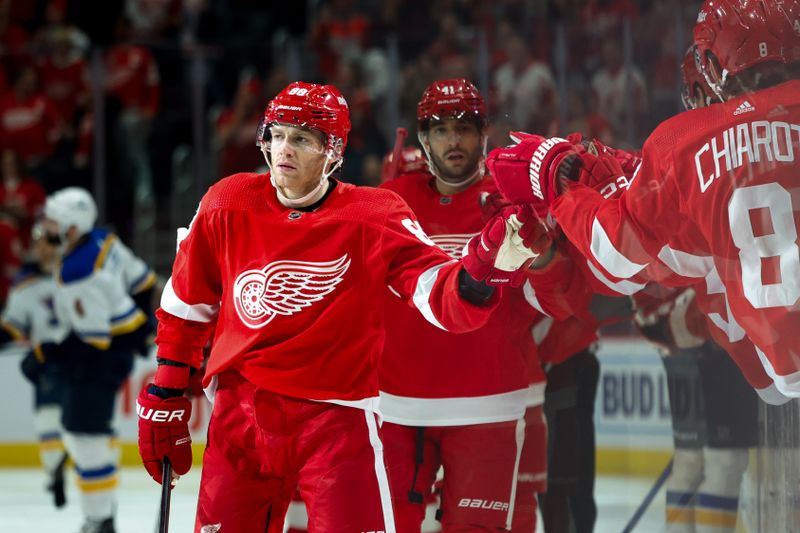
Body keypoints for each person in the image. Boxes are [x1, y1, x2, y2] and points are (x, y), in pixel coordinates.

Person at [137, 81, 542, 533]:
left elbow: (437, 293)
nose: (283, 149)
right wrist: (167, 390)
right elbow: (186, 304)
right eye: (277, 135)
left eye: (303, 139)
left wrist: (484, 268)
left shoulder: (373, 215)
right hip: (242, 414)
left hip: (337, 422)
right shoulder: (227, 201)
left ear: (332, 151)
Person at [486, 0, 800, 399]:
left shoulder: (681, 143)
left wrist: (559, 183)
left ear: (716, 66)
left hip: (778, 371)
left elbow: (619, 254)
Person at [377, 78, 593, 532]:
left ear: (485, 133)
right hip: (398, 407)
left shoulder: (515, 199)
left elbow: (564, 302)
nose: (454, 140)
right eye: (440, 130)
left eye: (465, 128)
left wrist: (544, 251)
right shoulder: (390, 202)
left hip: (489, 405)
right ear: (422, 137)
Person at [29, 186, 156, 533]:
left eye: (52, 222)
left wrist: (45, 356)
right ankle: (102, 515)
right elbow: (144, 281)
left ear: (71, 229)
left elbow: (92, 342)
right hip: (114, 354)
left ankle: (99, 521)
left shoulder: (78, 273)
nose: (45, 227)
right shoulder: (104, 240)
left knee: (84, 441)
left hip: (101, 361)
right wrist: (140, 329)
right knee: (88, 437)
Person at [0, 223, 69, 508]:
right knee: (49, 420)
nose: (43, 247)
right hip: (54, 360)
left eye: (49, 241)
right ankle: (56, 471)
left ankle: (56, 469)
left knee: (51, 420)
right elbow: (12, 329)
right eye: (39, 240)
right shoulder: (26, 287)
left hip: (69, 359)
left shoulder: (84, 275)